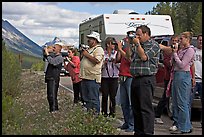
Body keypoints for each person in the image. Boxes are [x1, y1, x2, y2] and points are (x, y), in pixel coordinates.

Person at [130, 25, 161, 135]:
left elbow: (144, 57)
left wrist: (137, 44)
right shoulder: (137, 46)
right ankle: (138, 132)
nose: (136, 37)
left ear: (146, 34)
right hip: (135, 78)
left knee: (145, 108)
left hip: (146, 79)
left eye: (139, 34)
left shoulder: (154, 45)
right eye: (136, 35)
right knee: (136, 108)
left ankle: (148, 132)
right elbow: (130, 58)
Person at [170, 31, 195, 134]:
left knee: (182, 102)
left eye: (182, 39)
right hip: (176, 75)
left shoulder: (190, 50)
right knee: (175, 102)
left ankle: (185, 128)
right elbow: (172, 63)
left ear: (187, 39)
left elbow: (182, 64)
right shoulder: (181, 50)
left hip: (183, 75)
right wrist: (174, 53)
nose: (180, 41)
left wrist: (175, 53)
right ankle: (184, 125)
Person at [154, 35, 179, 124]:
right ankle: (157, 115)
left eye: (176, 40)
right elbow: (167, 63)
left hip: (177, 77)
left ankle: (178, 118)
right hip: (168, 77)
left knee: (176, 97)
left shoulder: (179, 51)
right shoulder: (167, 52)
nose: (174, 42)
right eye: (173, 40)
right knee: (166, 96)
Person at [79, 31, 104, 114]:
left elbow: (97, 60)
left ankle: (95, 115)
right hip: (85, 77)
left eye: (90, 39)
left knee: (93, 99)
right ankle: (90, 115)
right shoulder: (89, 50)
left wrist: (87, 55)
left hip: (93, 78)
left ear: (95, 40)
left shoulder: (99, 49)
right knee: (86, 99)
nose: (88, 41)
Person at [116, 31, 135, 132]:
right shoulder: (125, 47)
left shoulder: (134, 47)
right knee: (124, 102)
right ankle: (126, 122)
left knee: (131, 102)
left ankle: (132, 124)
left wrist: (120, 48)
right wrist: (119, 49)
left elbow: (130, 59)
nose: (126, 39)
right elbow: (118, 59)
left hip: (130, 76)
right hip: (122, 75)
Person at [101, 37, 119, 118]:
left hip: (114, 77)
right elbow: (99, 66)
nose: (114, 46)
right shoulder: (103, 54)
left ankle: (112, 113)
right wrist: (104, 62)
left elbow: (120, 65)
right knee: (104, 95)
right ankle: (104, 112)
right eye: (113, 44)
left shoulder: (116, 53)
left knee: (113, 96)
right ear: (108, 44)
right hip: (105, 77)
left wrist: (115, 61)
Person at [44, 42, 64, 113]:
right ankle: (51, 110)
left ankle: (54, 110)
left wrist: (47, 53)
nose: (53, 49)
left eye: (54, 48)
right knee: (49, 96)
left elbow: (53, 62)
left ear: (59, 49)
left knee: (52, 96)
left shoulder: (60, 58)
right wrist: (46, 51)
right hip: (50, 78)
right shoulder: (53, 56)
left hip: (54, 79)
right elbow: (45, 57)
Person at [190, 34, 202, 126]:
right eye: (200, 40)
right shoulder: (193, 51)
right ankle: (187, 122)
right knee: (188, 102)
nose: (201, 42)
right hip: (193, 80)